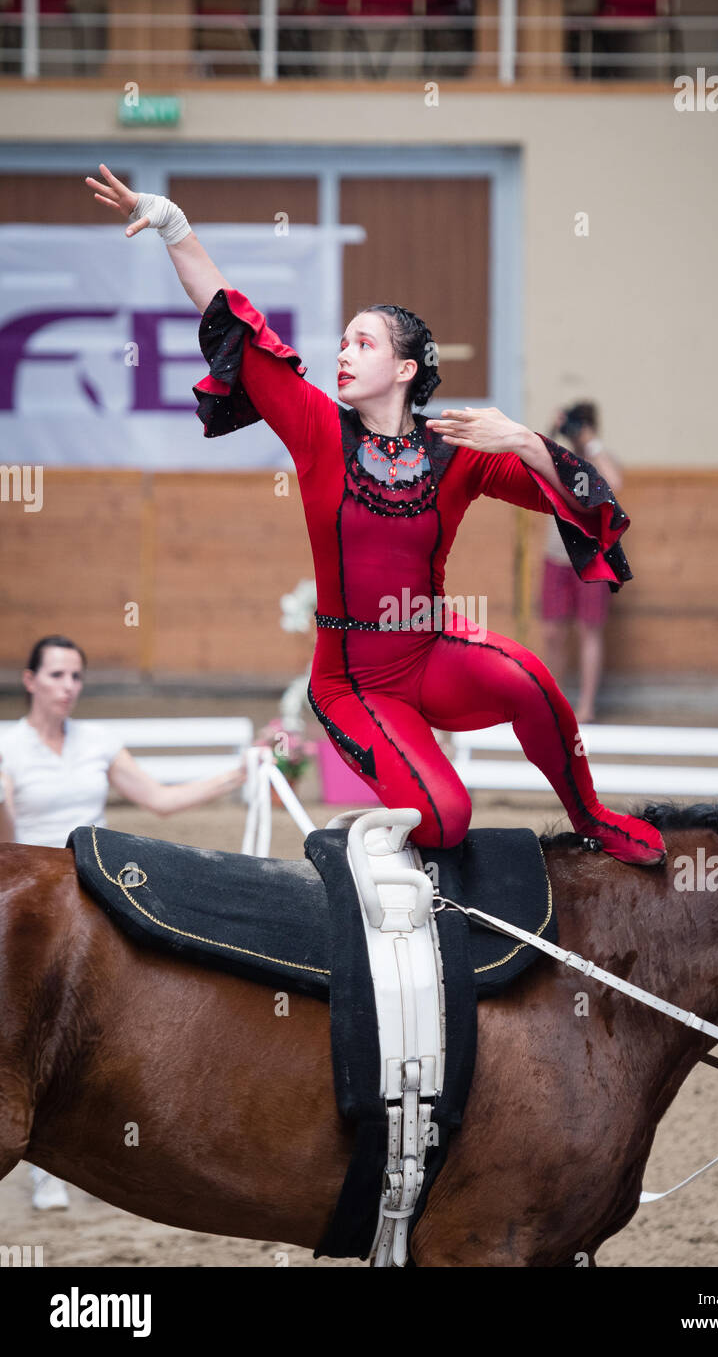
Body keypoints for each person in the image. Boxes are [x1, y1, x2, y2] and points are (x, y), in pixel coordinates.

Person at [83, 164, 665, 868]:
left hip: (432, 650)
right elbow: (235, 319)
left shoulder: (458, 451)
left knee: (535, 683)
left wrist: (523, 440)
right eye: (343, 342)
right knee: (447, 821)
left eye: (364, 343)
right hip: (352, 680)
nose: (343, 352)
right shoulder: (317, 428)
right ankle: (365, 849)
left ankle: (591, 817)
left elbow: (588, 497)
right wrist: (174, 227)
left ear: (407, 368)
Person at [0, 634, 247, 1209]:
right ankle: (40, 1160)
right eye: (57, 675)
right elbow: (6, 843)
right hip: (30, 902)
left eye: (77, 677)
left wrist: (237, 775)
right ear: (31, 681)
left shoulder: (98, 741)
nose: (68, 687)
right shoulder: (6, 745)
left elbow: (159, 800)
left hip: (88, 890)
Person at [540, 403, 622, 723]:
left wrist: (590, 442)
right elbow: (528, 466)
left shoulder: (600, 460)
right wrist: (552, 430)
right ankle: (555, 701)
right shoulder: (560, 460)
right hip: (556, 557)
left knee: (589, 630)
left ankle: (586, 706)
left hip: (592, 558)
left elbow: (615, 480)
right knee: (551, 632)